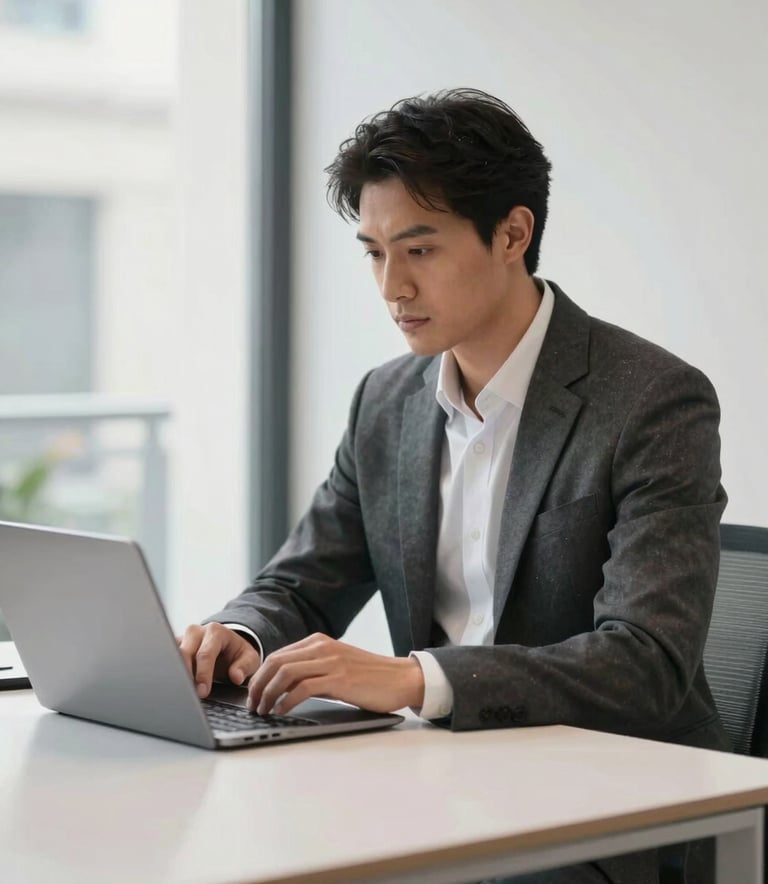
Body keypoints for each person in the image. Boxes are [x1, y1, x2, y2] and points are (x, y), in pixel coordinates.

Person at [178, 89, 727, 883]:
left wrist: (415, 678)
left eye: (420, 250)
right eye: (373, 252)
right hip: (439, 783)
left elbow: (645, 663)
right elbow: (303, 582)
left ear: (513, 232)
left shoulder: (651, 400)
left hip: (609, 809)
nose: (391, 287)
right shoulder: (386, 401)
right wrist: (241, 635)